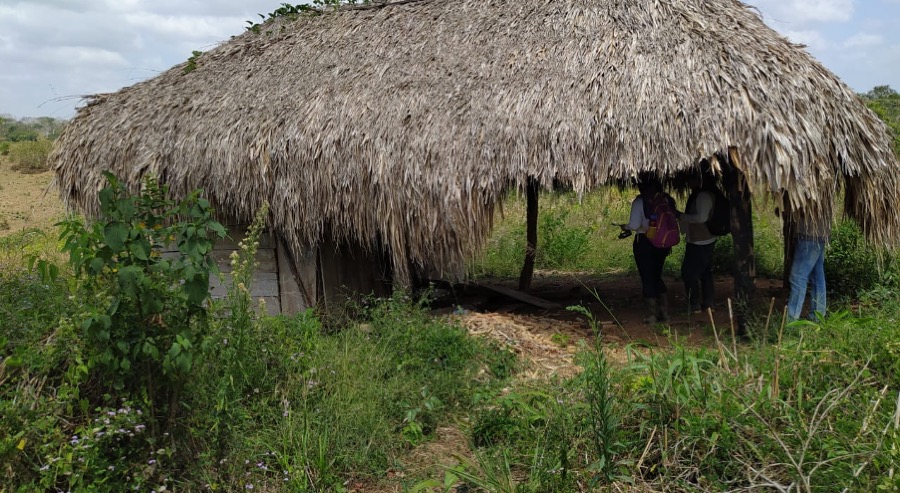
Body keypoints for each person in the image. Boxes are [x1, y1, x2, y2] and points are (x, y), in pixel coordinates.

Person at [620, 175, 677, 323]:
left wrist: (624, 226)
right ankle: (665, 312)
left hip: (644, 242)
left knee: (647, 277)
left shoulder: (639, 202)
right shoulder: (667, 200)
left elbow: (633, 225)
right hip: (662, 243)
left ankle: (652, 314)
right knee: (657, 276)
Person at [678, 171, 718, 315]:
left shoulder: (703, 196)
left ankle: (694, 304)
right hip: (702, 239)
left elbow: (701, 218)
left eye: (691, 180)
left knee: (688, 273)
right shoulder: (700, 194)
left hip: (701, 240)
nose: (688, 183)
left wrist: (680, 216)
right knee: (705, 272)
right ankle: (708, 303)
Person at [787, 211, 831, 321]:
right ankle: (818, 316)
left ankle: (792, 319)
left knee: (797, 277)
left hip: (808, 234)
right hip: (821, 233)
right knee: (817, 277)